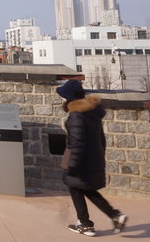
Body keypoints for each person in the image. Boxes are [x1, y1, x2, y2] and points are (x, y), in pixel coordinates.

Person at [57, 79, 128, 237]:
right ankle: (115, 215)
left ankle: (85, 224)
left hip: (80, 160)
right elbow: (101, 139)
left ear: (70, 98)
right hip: (93, 158)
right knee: (87, 189)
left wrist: (73, 166)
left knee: (75, 187)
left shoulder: (76, 115)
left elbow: (77, 142)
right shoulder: (91, 113)